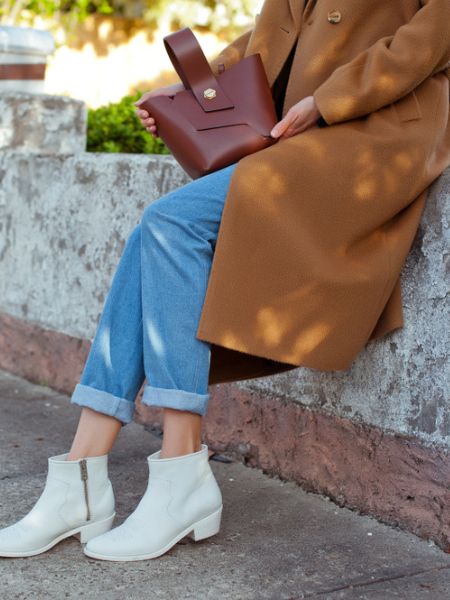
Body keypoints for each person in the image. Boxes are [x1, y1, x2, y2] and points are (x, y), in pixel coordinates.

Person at [0, 0, 449, 562]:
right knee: (152, 235)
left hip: (373, 133)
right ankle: (80, 479)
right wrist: (186, 94)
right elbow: (272, 35)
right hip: (298, 133)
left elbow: (431, 37)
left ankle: (182, 468)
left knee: (170, 222)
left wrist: (328, 101)